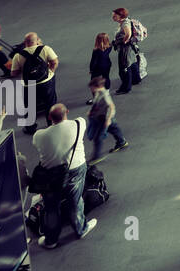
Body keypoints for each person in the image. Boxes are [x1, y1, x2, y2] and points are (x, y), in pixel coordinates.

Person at [32, 104, 96, 249]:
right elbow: (82, 120)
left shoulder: (39, 135)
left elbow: (38, 144)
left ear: (49, 117)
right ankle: (81, 229)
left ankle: (51, 240)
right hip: (75, 169)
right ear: (67, 112)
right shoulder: (79, 124)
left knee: (51, 208)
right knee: (74, 201)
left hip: (50, 175)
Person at [11, 33, 59, 135]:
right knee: (50, 103)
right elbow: (54, 62)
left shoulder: (18, 55)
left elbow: (13, 73)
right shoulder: (46, 49)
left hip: (29, 84)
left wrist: (24, 71)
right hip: (46, 81)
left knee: (29, 107)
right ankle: (52, 124)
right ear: (37, 40)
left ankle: (30, 128)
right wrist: (50, 72)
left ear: (25, 43)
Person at [87, 76, 129, 162]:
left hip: (105, 119)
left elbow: (111, 107)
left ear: (97, 87)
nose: (91, 90)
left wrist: (108, 119)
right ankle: (121, 142)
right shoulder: (99, 93)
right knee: (114, 130)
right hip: (102, 118)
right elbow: (97, 103)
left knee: (98, 137)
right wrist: (92, 112)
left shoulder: (105, 96)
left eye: (92, 88)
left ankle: (96, 157)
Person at [111, 7, 144, 95]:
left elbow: (128, 33)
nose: (113, 17)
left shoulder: (125, 24)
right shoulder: (126, 21)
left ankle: (126, 88)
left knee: (124, 68)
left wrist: (124, 41)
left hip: (125, 48)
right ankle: (136, 79)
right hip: (131, 48)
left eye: (115, 16)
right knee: (132, 62)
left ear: (120, 16)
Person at [89, 33, 114, 104]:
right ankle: (107, 92)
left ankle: (95, 98)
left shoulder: (96, 50)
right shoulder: (109, 47)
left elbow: (93, 61)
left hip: (98, 67)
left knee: (94, 81)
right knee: (106, 77)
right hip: (107, 64)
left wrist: (91, 70)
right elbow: (113, 43)